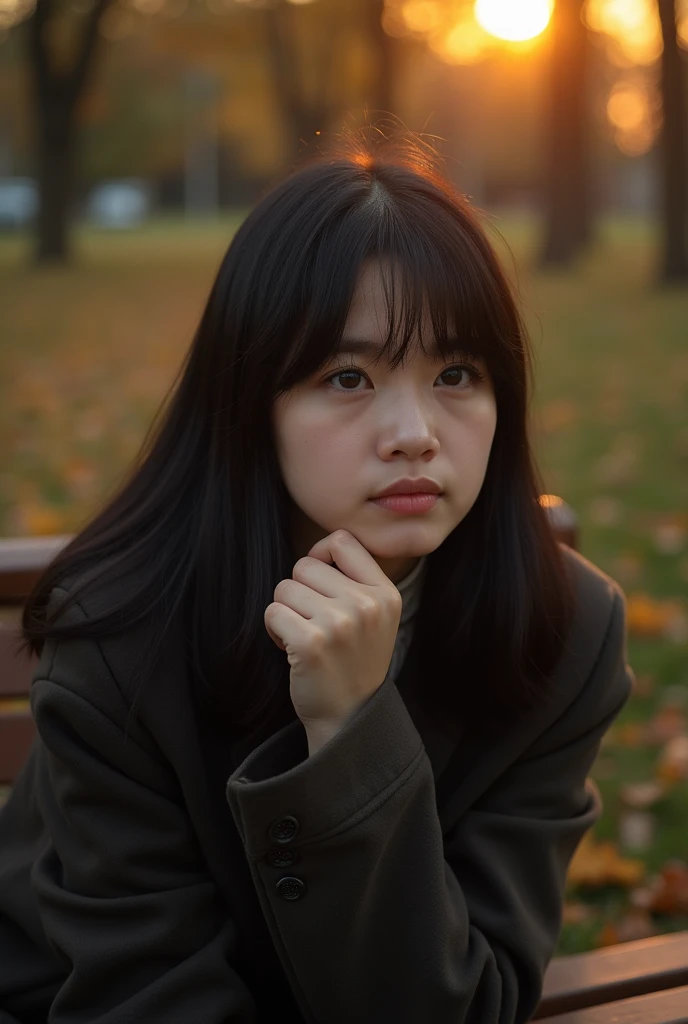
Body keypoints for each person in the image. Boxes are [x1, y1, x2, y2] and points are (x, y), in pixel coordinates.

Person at [0, 131, 634, 1024]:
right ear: (251, 402)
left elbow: (463, 1005)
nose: (413, 430)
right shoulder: (120, 640)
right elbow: (144, 996)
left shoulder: (566, 630)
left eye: (457, 372)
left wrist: (353, 735)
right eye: (348, 376)